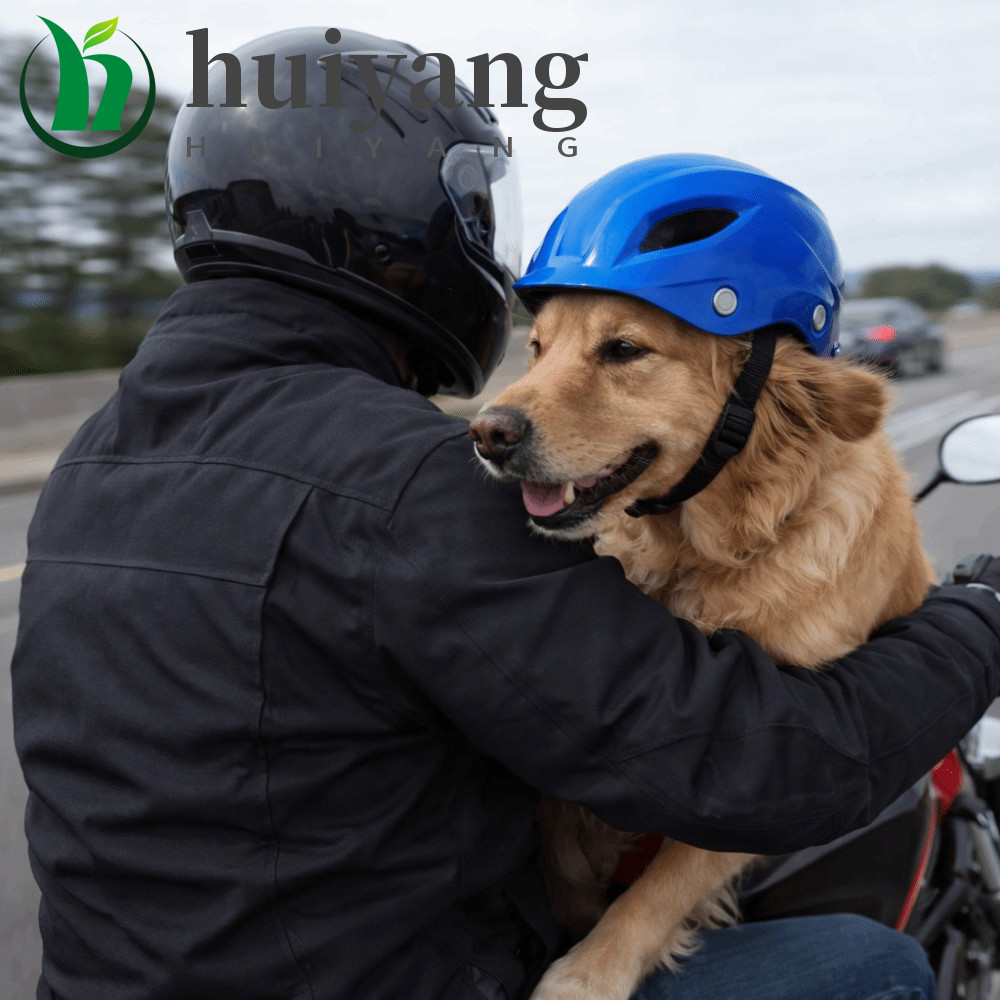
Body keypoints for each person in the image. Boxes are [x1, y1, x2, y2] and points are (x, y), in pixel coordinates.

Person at [11, 25, 1000, 1000]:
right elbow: (760, 770)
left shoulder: (95, 463)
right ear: (408, 228)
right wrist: (975, 621)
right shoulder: (404, 484)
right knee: (867, 966)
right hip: (407, 976)